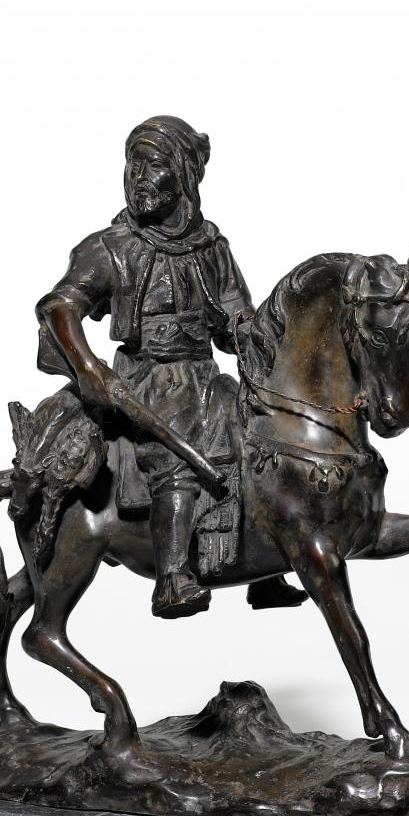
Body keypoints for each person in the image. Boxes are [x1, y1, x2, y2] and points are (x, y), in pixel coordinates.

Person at [37, 115, 306, 618]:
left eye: (153, 165)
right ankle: (172, 578)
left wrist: (255, 334)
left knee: (263, 435)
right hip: (146, 380)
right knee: (177, 454)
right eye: (132, 164)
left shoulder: (212, 247)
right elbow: (59, 306)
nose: (138, 177)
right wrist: (88, 368)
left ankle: (266, 569)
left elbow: (236, 317)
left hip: (203, 375)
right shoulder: (109, 248)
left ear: (183, 174)